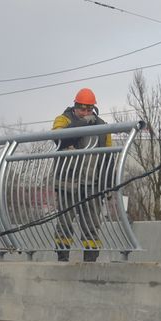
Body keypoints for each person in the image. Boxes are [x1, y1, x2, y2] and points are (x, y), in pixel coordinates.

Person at [52, 87, 114, 262]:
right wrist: (83, 123)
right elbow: (58, 137)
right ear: (75, 106)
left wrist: (107, 185)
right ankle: (62, 259)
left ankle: (90, 262)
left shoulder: (102, 126)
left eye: (89, 109)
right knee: (64, 224)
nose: (86, 112)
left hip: (92, 185)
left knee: (92, 226)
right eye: (82, 108)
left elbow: (108, 157)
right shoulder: (63, 120)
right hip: (67, 183)